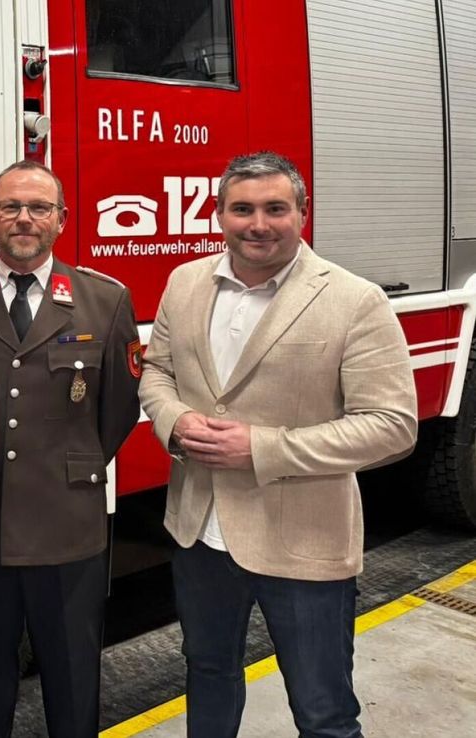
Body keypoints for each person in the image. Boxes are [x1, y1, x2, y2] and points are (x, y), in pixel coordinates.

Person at [138, 151, 417, 738]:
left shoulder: (355, 300)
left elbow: (392, 425)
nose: (258, 224)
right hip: (199, 533)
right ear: (219, 214)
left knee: (323, 710)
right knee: (208, 674)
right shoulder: (184, 283)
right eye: (242, 209)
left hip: (304, 542)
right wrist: (176, 422)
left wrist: (263, 449)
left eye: (275, 209)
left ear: (302, 214)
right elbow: (158, 370)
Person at [0, 160, 141, 738]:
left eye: (39, 207)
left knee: (73, 675)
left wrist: (68, 466)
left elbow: (118, 410)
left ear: (62, 219)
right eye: (10, 207)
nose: (24, 219)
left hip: (68, 525)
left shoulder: (104, 300)